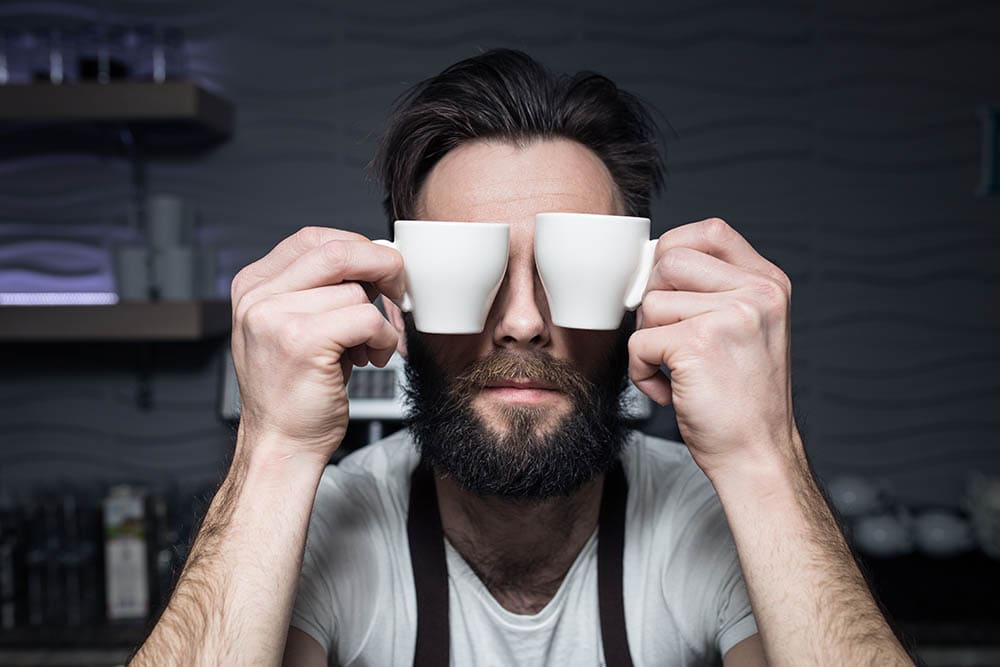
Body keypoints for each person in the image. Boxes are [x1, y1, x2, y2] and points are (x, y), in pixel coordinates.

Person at [131, 50, 914, 666]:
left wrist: (762, 455)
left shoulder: (709, 518)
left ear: (638, 291)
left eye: (573, 272)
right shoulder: (331, 523)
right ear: (398, 290)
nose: (521, 323)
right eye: (465, 273)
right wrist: (272, 449)